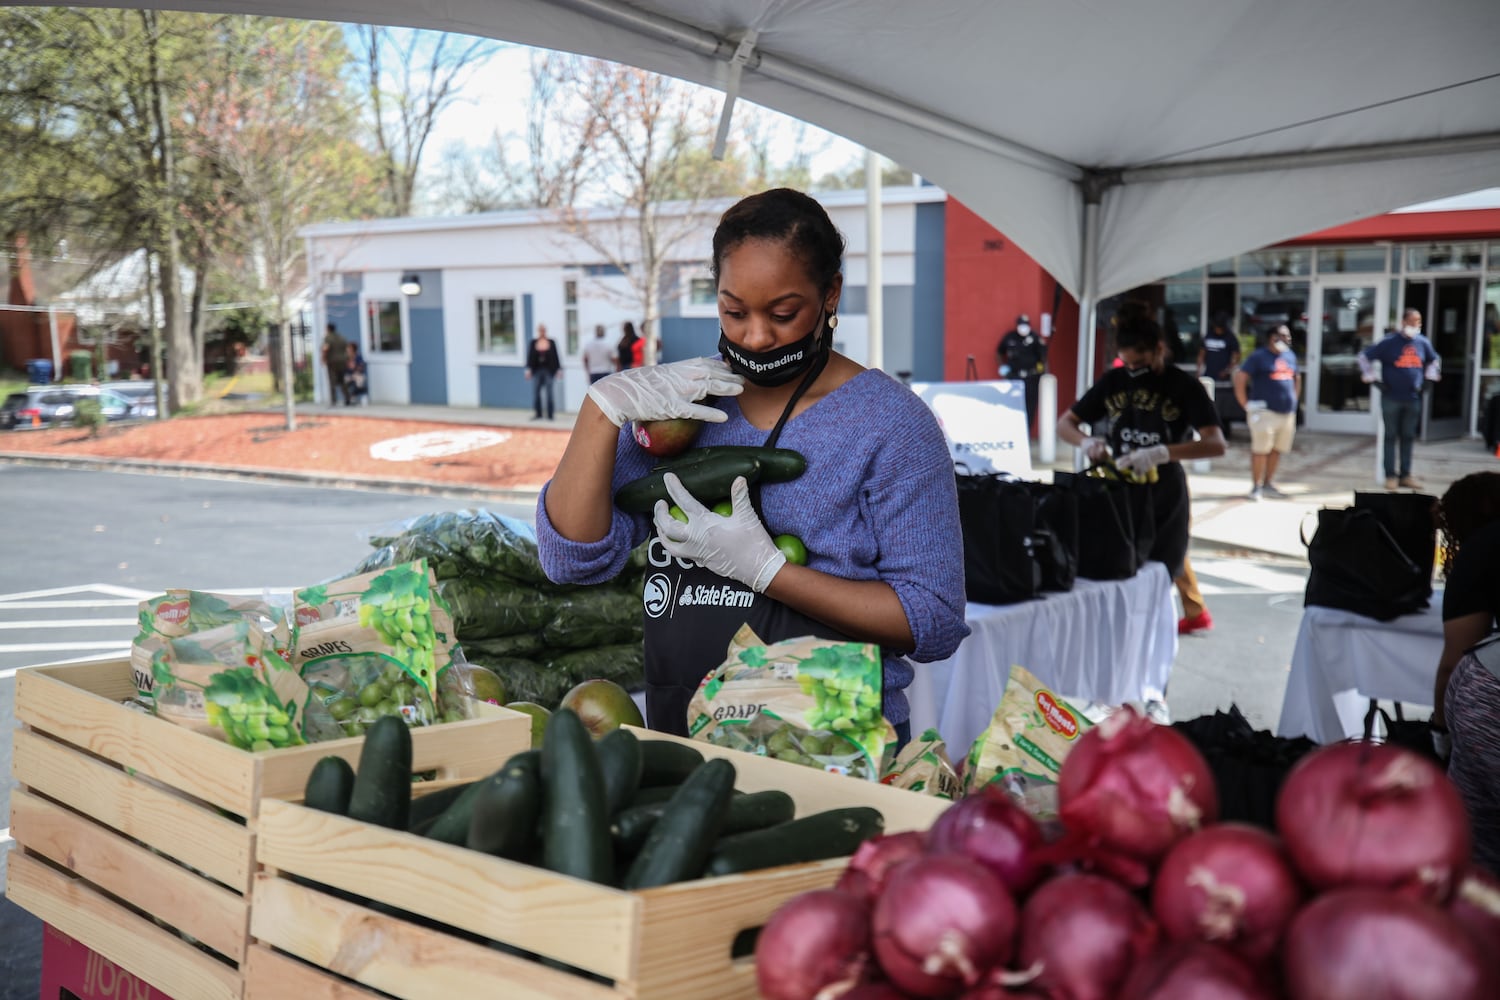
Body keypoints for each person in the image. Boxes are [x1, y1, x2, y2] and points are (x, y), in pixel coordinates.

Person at [535, 187, 970, 746]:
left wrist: (770, 573)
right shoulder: (682, 405)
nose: (756, 337)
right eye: (734, 312)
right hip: (688, 739)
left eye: (784, 314)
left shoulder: (892, 425)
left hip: (834, 747)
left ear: (831, 294)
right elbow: (569, 558)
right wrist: (602, 411)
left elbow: (932, 619)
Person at [1058, 301, 1226, 643]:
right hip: (1120, 492)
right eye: (1127, 362)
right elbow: (1065, 423)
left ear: (1158, 349)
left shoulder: (1182, 385)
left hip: (1165, 495)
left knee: (1160, 577)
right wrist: (1088, 443)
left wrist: (1163, 452)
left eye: (1140, 361)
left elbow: (1216, 443)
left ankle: (1156, 660)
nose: (1133, 369)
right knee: (1118, 576)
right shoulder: (1114, 380)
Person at [1430, 472, 1500, 874]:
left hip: (1491, 690)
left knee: (1481, 854)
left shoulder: (1484, 549)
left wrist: (1440, 732)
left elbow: (1453, 660)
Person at [1359, 308, 1440, 489]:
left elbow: (1434, 360)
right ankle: (1390, 476)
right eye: (1412, 322)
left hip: (1412, 398)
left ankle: (1406, 475)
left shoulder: (1422, 342)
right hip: (1391, 399)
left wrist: (1429, 379)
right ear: (1403, 322)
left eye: (1418, 322)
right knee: (1390, 437)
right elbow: (1364, 357)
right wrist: (1373, 380)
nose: (1416, 326)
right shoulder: (1390, 342)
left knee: (1408, 436)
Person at [1234, 324, 1301, 500]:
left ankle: (1268, 483)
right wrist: (1245, 404)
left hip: (1286, 413)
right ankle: (1256, 486)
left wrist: (1294, 400)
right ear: (1273, 338)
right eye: (1284, 336)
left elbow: (1296, 378)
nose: (1288, 339)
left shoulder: (1290, 356)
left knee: (1277, 449)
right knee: (1260, 450)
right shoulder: (1258, 357)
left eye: (1288, 336)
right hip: (1264, 413)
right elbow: (1241, 377)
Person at [997, 313, 1047, 434]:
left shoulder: (1035, 338)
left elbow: (1043, 357)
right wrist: (1003, 368)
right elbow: (999, 352)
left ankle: (1027, 433)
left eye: (1025, 325)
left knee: (1030, 406)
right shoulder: (1010, 337)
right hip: (1014, 377)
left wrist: (1043, 372)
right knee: (1012, 405)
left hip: (1031, 378)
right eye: (1021, 325)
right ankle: (1013, 433)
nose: (1023, 328)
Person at [525, 323, 562, 420]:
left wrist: (558, 370)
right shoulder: (534, 342)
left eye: (543, 330)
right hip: (537, 370)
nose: (542, 332)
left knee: (550, 393)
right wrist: (528, 370)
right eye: (540, 330)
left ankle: (550, 414)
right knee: (536, 392)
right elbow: (530, 357)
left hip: (548, 371)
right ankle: (538, 413)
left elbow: (555, 356)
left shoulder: (551, 342)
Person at [1197, 312, 1240, 382]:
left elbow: (1236, 356)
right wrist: (1198, 371)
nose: (1217, 330)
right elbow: (1201, 354)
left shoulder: (1230, 338)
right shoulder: (1208, 336)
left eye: (1219, 328)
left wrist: (1227, 370)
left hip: (1223, 377)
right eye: (1216, 327)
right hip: (1207, 374)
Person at [322, 323, 349, 406]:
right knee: (342, 380)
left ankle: (333, 400)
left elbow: (326, 348)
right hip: (342, 361)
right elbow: (347, 349)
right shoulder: (341, 337)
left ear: (328, 329)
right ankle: (347, 398)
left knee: (332, 381)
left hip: (332, 362)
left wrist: (323, 358)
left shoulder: (328, 338)